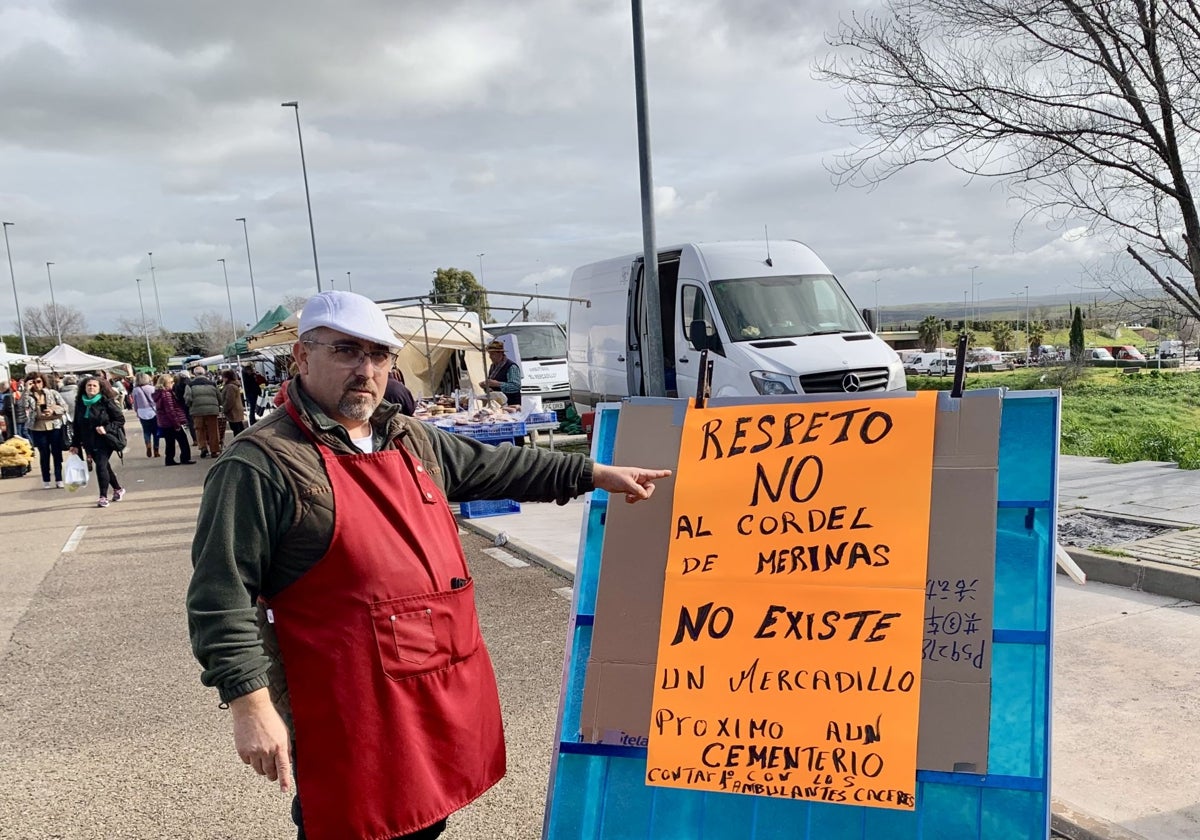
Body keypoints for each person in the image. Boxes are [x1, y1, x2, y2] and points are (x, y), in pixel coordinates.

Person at [186, 290, 669, 840]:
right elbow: (220, 596)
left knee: (426, 822)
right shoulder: (261, 463)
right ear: (302, 357)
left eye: (378, 355)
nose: (364, 370)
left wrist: (595, 474)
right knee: (355, 825)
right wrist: (250, 704)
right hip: (353, 705)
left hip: (437, 684)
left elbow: (501, 467)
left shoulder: (407, 436)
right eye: (345, 351)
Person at [70, 375, 127, 508]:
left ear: (100, 388)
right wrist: (75, 444)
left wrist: (106, 428)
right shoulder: (80, 403)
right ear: (84, 388)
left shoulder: (106, 401)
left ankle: (103, 497)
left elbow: (119, 419)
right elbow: (77, 425)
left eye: (94, 386)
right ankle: (118, 489)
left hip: (105, 439)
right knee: (105, 466)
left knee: (100, 466)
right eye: (89, 385)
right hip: (88, 441)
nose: (91, 388)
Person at [21, 373, 69, 488]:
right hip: (38, 426)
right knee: (44, 454)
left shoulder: (52, 393)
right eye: (33, 382)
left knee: (57, 453)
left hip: (54, 425)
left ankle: (59, 478)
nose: (37, 385)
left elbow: (65, 407)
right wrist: (26, 390)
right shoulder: (29, 395)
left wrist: (53, 411)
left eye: (39, 381)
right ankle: (46, 479)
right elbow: (22, 405)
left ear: (43, 381)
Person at [153, 374, 194, 466]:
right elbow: (170, 410)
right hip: (171, 421)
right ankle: (185, 458)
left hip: (165, 422)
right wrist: (176, 424)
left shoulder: (160, 393)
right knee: (183, 440)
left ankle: (169, 459)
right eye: (171, 382)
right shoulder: (166, 394)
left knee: (170, 442)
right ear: (166, 383)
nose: (173, 384)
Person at [187, 366, 223, 458]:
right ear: (204, 373)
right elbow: (219, 397)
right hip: (211, 410)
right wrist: (218, 405)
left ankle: (203, 448)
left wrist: (190, 405)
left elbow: (188, 398)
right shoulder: (212, 384)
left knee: (199, 429)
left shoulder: (190, 385)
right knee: (213, 430)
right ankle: (214, 450)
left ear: (194, 374)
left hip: (197, 410)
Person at [479, 339, 522, 406]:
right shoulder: (493, 366)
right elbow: (492, 388)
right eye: (489, 354)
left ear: (500, 353)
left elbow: (516, 386)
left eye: (493, 354)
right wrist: (486, 386)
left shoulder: (511, 366)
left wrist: (498, 384)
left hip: (512, 404)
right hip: (498, 404)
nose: (490, 357)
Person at [131, 373, 161, 458]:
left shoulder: (135, 390)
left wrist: (136, 411)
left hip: (142, 412)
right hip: (153, 411)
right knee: (156, 432)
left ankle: (148, 445)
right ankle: (156, 450)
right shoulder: (152, 388)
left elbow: (135, 403)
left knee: (146, 431)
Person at [220, 369, 247, 436]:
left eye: (223, 377)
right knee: (239, 427)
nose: (222, 379)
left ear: (227, 377)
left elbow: (229, 400)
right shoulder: (233, 384)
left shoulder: (230, 387)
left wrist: (224, 409)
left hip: (233, 411)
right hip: (236, 409)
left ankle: (239, 442)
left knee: (236, 429)